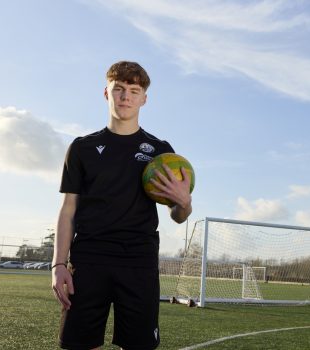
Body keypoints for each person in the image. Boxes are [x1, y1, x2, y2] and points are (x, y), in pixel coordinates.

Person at [51, 61, 193, 350]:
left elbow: (179, 216)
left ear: (144, 98)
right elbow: (68, 210)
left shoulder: (161, 152)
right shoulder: (82, 148)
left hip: (138, 261)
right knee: (79, 344)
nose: (125, 96)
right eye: (119, 89)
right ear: (107, 93)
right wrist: (58, 264)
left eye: (133, 90)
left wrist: (185, 202)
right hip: (89, 258)